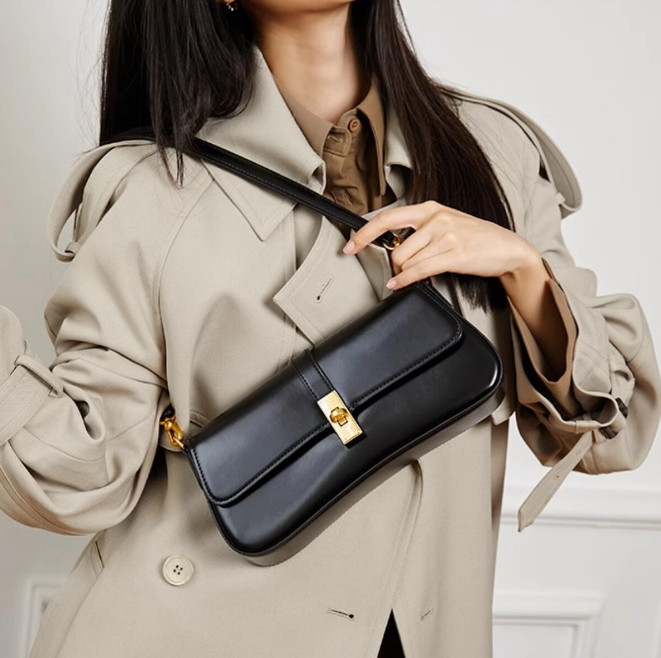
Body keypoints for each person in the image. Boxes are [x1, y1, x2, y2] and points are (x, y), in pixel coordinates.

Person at [1, 1, 659, 656]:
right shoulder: (156, 189)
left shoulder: (489, 152)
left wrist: (524, 271)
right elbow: (80, 480)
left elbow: (615, 432)